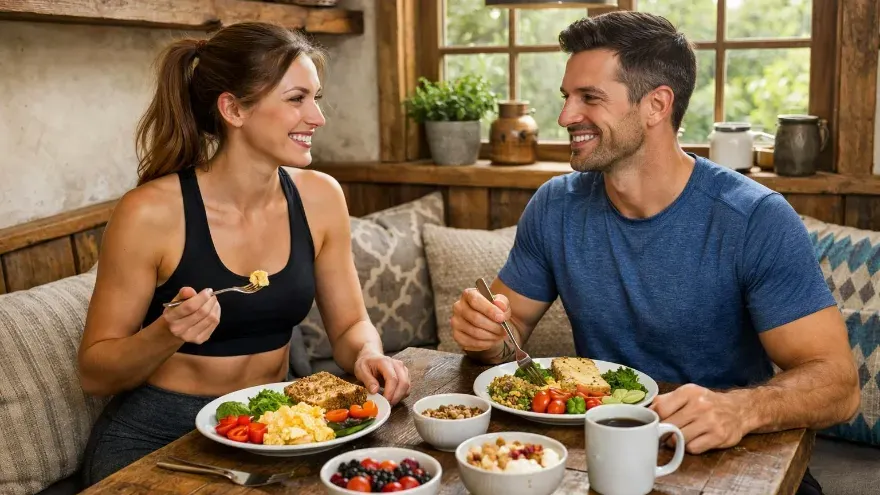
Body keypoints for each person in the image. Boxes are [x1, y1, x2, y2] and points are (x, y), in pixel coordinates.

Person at [451, 11, 858, 495]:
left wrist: (743, 409)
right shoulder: (555, 206)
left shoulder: (754, 219)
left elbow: (839, 385)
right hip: (605, 456)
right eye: (566, 98)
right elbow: (505, 334)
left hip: (735, 460)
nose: (564, 117)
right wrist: (483, 334)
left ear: (656, 105)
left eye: (590, 98)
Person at [77, 22, 410, 485]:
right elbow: (94, 373)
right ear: (233, 109)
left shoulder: (321, 198)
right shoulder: (150, 212)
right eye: (296, 99)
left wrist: (368, 355)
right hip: (161, 436)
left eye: (316, 97)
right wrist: (166, 333)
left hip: (276, 422)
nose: (317, 117)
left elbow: (350, 326)